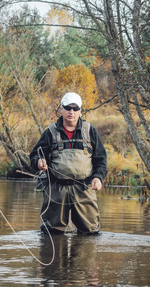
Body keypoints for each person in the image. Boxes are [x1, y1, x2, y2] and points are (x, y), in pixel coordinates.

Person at [30, 92, 108, 235]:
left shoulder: (90, 131)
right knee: (51, 232)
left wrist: (98, 177)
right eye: (68, 108)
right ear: (61, 110)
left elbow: (101, 160)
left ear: (80, 111)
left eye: (75, 108)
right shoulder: (50, 132)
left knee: (90, 232)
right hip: (56, 188)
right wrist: (39, 162)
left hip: (84, 188)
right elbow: (35, 155)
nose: (71, 112)